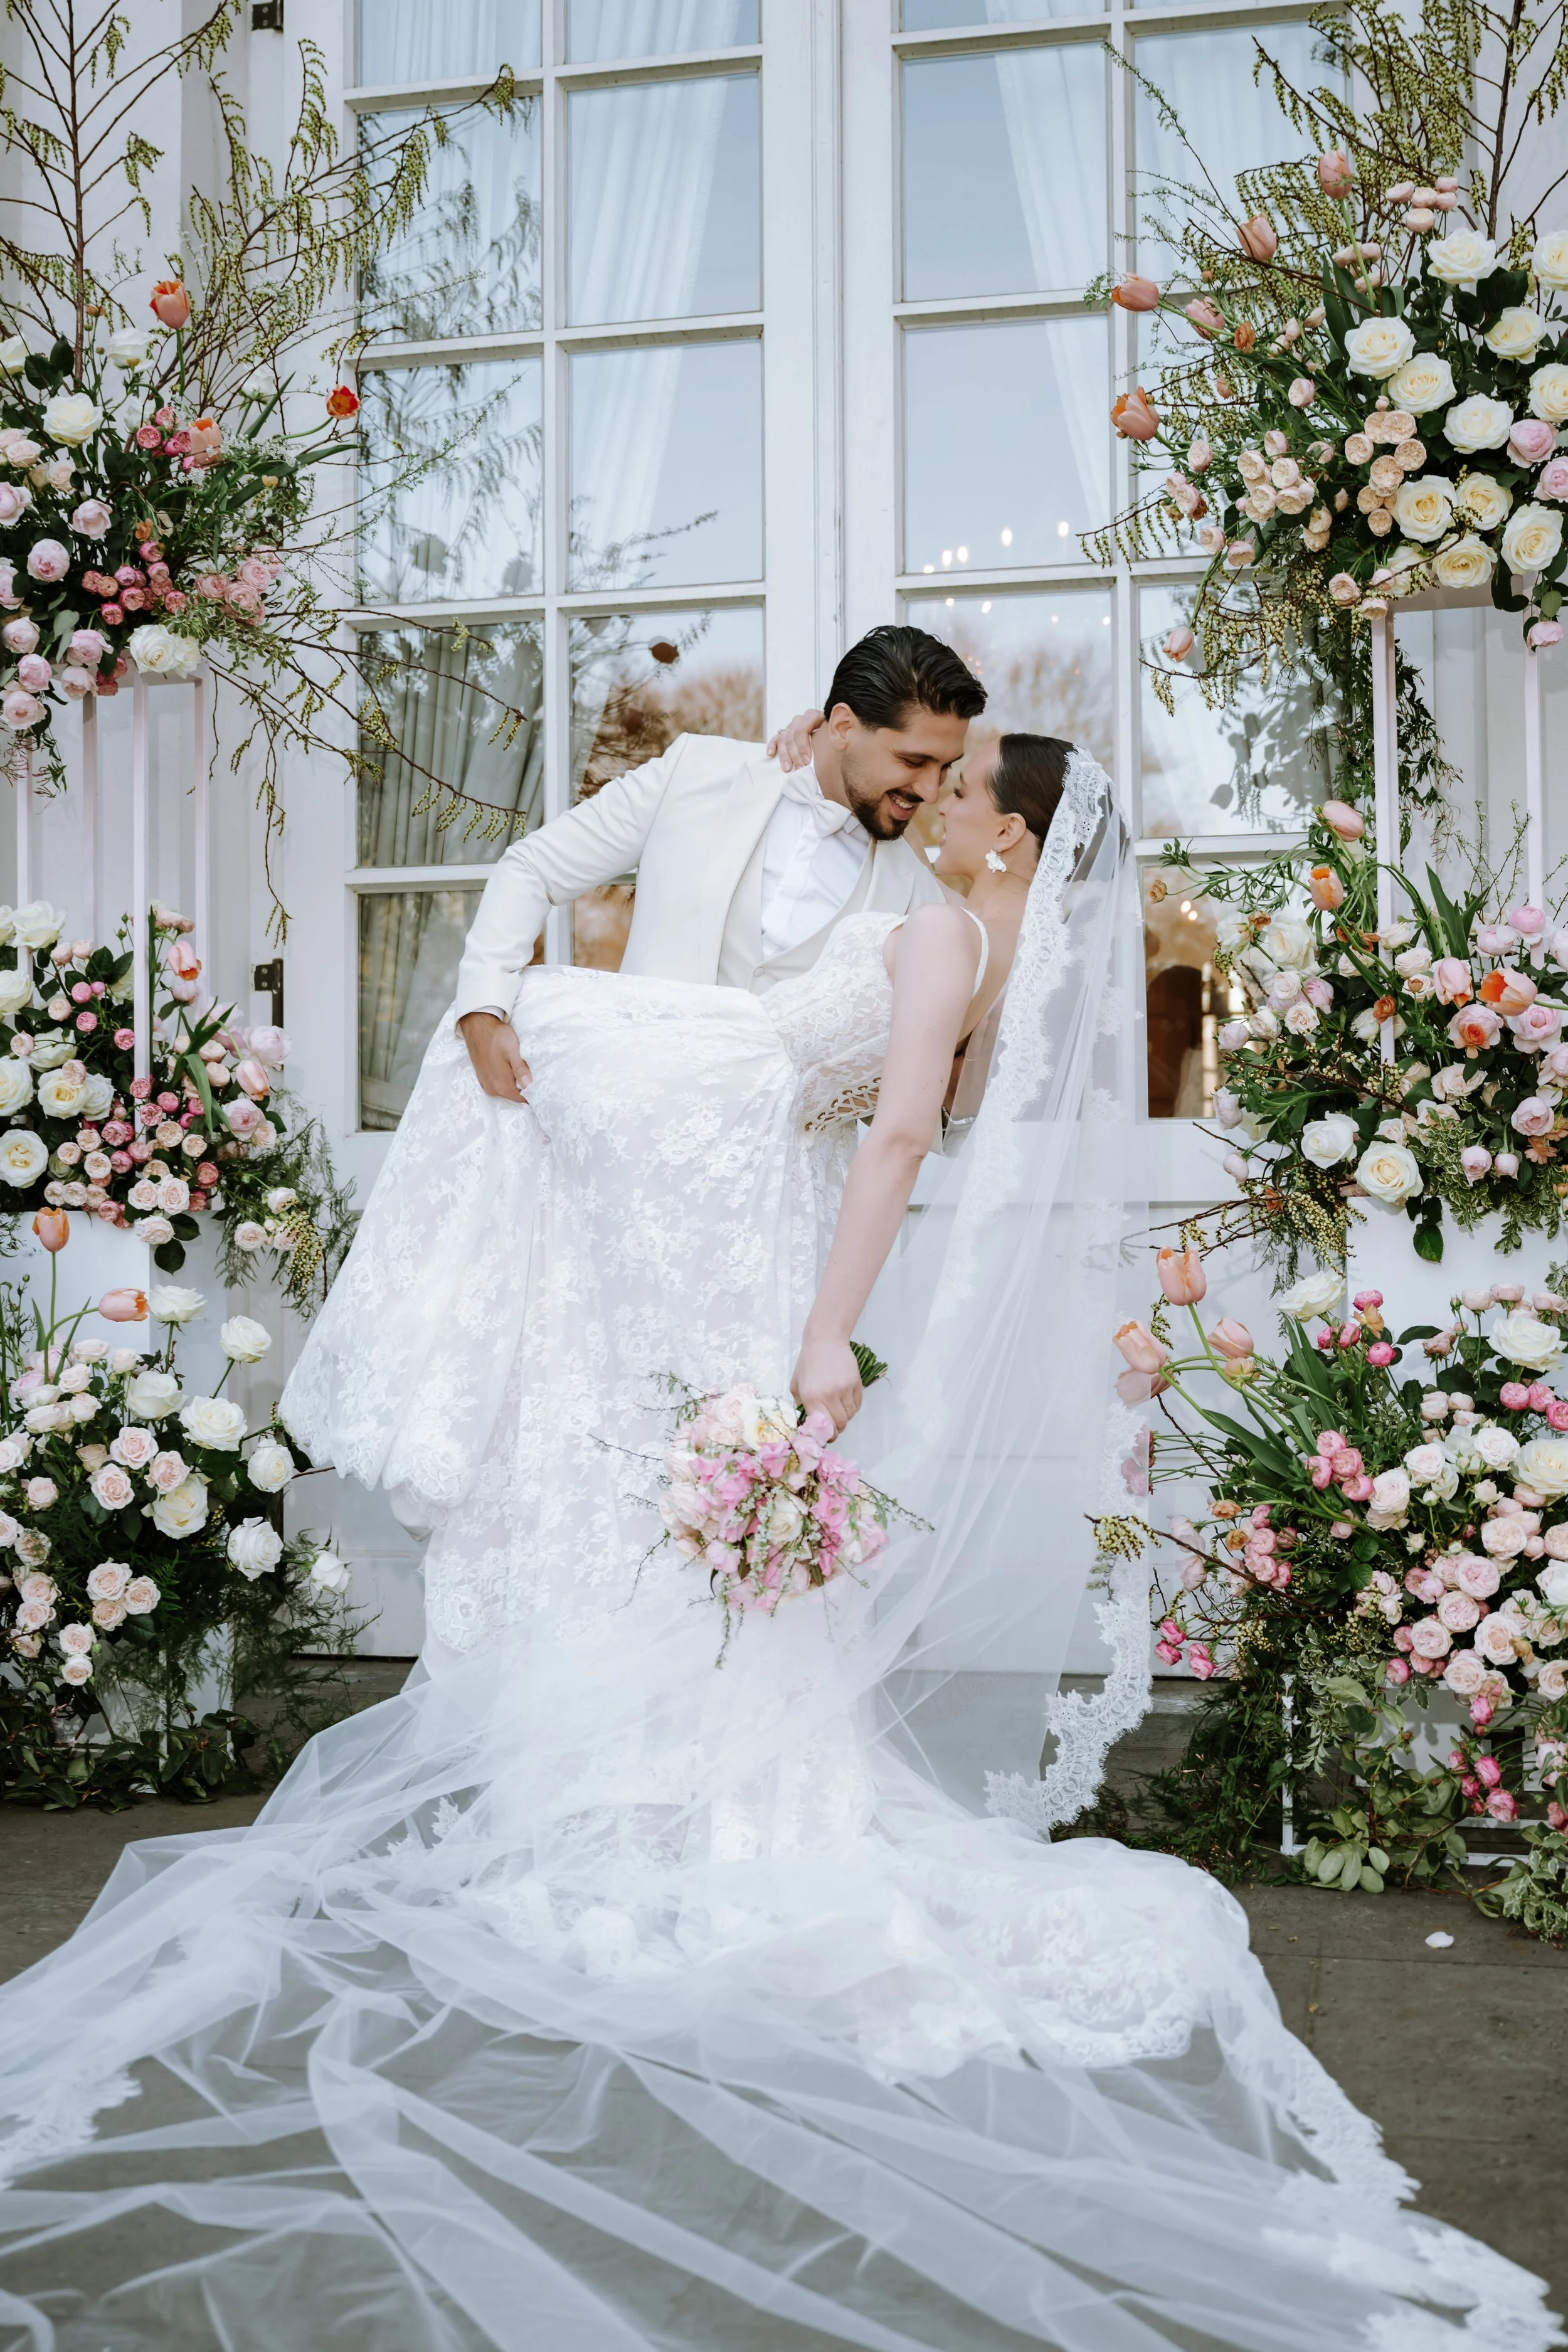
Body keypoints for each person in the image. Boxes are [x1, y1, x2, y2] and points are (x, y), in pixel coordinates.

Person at [0, 732, 1558, 2349]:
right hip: (727, 1197)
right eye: (930, 774)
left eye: (962, 793)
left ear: (1010, 836)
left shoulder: (944, 931)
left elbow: (891, 1139)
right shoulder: (954, 934)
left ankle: (681, 1802)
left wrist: (825, 1332)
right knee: (685, 1513)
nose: (934, 803)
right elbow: (876, 1102)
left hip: (756, 1230)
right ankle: (691, 1788)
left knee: (680, 1482)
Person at [453, 622, 980, 1108]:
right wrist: (482, 1006)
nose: (932, 790)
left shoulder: (914, 890)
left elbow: (919, 1080)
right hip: (632, 1125)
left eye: (945, 767)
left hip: (779, 1182)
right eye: (914, 762)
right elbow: (533, 867)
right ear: (841, 725)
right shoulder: (697, 771)